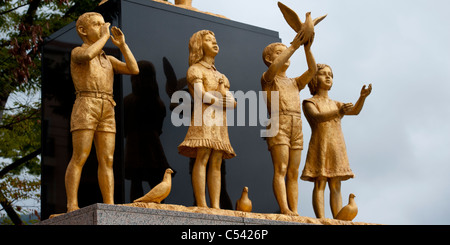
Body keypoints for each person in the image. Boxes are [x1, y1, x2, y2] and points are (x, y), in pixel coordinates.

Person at [65, 12, 139, 212]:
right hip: (86, 103)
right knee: (80, 155)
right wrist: (105, 37)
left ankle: (109, 203)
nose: (102, 27)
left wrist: (122, 44)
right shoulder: (77, 52)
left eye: (102, 24)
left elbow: (134, 69)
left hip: (107, 106)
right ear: (82, 30)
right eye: (97, 25)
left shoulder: (108, 59)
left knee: (107, 159)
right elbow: (88, 55)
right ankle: (72, 203)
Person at [301, 63, 372, 218]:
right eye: (323, 74)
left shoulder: (335, 103)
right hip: (321, 144)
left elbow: (355, 111)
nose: (328, 77)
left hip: (336, 145)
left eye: (330, 75)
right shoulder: (309, 102)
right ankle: (321, 218)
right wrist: (338, 112)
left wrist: (362, 97)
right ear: (314, 78)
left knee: (336, 183)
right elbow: (317, 117)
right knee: (320, 181)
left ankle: (338, 218)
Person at [178, 30, 236, 209]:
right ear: (199, 46)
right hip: (204, 116)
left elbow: (230, 100)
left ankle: (216, 205)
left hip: (218, 120)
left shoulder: (221, 76)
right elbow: (199, 93)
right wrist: (221, 100)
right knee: (202, 155)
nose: (214, 42)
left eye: (215, 39)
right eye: (209, 40)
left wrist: (231, 102)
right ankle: (202, 203)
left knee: (217, 160)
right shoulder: (195, 69)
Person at [261, 31, 316, 215]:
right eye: (279, 52)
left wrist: (307, 47)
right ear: (269, 58)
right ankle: (284, 208)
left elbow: (312, 71)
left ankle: (294, 210)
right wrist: (294, 45)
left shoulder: (294, 82)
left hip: (296, 124)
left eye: (285, 52)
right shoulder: (268, 78)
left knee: (294, 171)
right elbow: (276, 66)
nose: (285, 55)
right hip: (279, 123)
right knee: (281, 168)